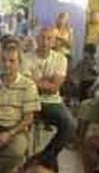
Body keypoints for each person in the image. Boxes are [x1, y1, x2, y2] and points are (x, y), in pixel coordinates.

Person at [0, 44, 41, 173]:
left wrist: (9, 133)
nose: (7, 64)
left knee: (16, 152)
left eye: (12, 61)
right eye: (4, 60)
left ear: (19, 63)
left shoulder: (28, 85)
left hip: (16, 128)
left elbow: (29, 118)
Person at [23, 28, 75, 160]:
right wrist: (46, 83)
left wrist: (36, 82)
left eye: (49, 38)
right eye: (42, 38)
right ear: (36, 39)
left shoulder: (60, 59)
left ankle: (47, 157)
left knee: (70, 125)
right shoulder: (25, 58)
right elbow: (27, 86)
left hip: (52, 101)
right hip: (29, 100)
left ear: (54, 42)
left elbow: (54, 88)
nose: (45, 42)